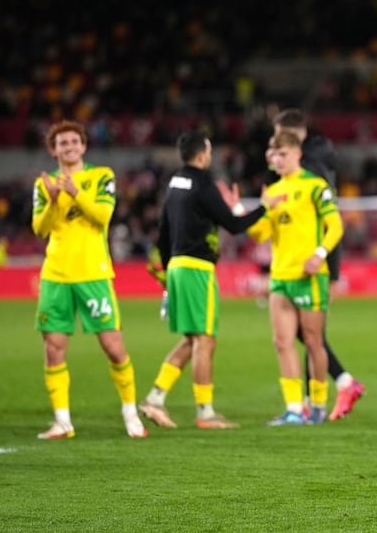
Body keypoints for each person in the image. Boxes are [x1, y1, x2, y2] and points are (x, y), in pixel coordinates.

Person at [138, 131, 277, 430]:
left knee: (191, 338)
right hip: (197, 268)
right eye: (210, 151)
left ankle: (155, 397)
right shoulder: (203, 183)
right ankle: (205, 412)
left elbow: (162, 231)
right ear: (202, 155)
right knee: (205, 339)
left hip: (176, 265)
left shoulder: (174, 183)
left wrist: (167, 270)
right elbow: (235, 225)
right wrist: (265, 207)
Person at [31, 120, 147, 439]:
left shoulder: (101, 176)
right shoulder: (44, 185)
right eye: (61, 143)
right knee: (54, 348)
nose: (68, 146)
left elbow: (102, 217)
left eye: (73, 141)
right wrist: (54, 200)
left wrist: (74, 192)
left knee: (113, 346)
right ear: (53, 150)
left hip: (93, 273)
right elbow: (40, 229)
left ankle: (130, 413)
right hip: (55, 275)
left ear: (83, 146)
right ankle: (63, 421)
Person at [271, 109, 365, 421]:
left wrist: (329, 265)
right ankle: (328, 392)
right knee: (304, 334)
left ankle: (326, 396)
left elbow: (329, 219)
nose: (276, 148)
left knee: (311, 335)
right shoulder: (318, 157)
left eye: (281, 139)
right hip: (308, 260)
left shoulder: (310, 170)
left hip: (315, 261)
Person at [249, 130, 343, 425]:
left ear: (297, 154)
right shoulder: (273, 191)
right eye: (274, 155)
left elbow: (335, 226)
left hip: (310, 276)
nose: (278, 160)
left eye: (283, 154)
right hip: (281, 276)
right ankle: (294, 408)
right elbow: (259, 234)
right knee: (282, 341)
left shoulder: (316, 187)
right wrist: (258, 209)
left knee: (314, 342)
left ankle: (317, 404)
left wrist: (319, 254)